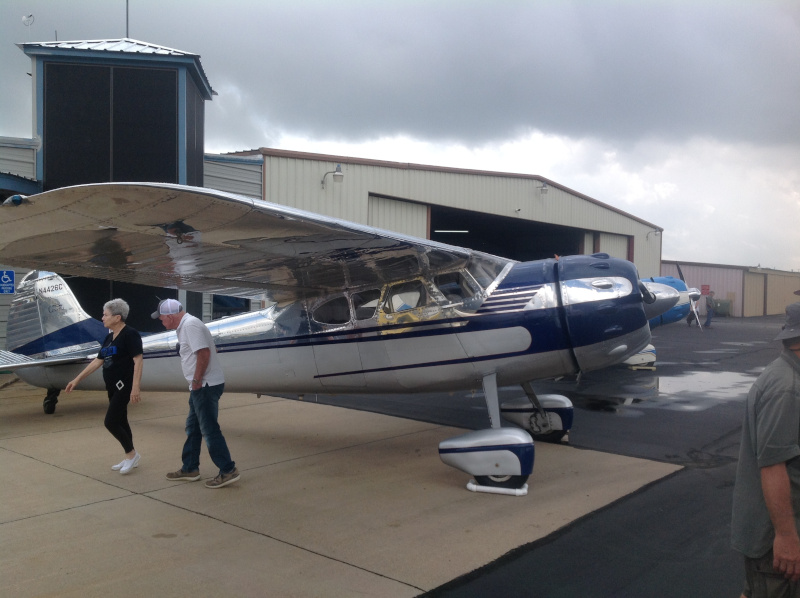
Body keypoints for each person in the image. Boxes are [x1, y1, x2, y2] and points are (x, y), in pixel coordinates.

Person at [731, 302, 800, 596]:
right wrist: (786, 537)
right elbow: (772, 466)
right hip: (776, 540)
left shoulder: (787, 376)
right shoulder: (786, 388)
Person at [153, 298, 240, 489]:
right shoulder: (186, 325)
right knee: (193, 428)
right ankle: (190, 468)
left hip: (205, 386)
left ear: (170, 316)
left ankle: (228, 470)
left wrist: (197, 380)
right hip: (201, 386)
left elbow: (204, 353)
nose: (160, 321)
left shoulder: (190, 325)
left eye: (161, 318)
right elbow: (209, 349)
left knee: (209, 430)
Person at [65, 298, 143, 474]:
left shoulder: (130, 334)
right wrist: (76, 379)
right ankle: (129, 457)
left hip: (125, 385)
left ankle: (132, 454)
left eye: (105, 314)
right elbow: (98, 360)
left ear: (117, 317)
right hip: (112, 386)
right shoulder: (109, 337)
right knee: (121, 420)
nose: (102, 318)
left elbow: (138, 360)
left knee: (110, 421)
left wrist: (135, 387)